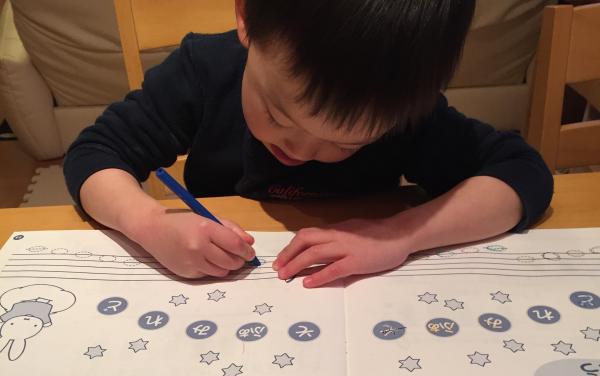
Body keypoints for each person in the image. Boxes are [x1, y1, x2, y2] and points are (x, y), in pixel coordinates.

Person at [64, 0, 553, 288]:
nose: (301, 150)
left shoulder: (403, 104)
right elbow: (95, 154)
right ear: (247, 18)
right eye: (277, 115)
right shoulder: (204, 71)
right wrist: (150, 224)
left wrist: (401, 235)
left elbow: (522, 173)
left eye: (348, 142)